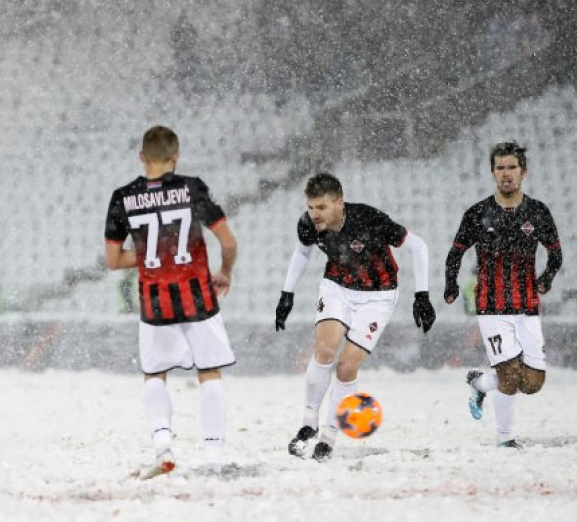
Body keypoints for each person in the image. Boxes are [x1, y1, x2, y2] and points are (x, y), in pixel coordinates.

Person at [104, 126, 238, 479]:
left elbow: (114, 261)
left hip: (154, 299)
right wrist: (224, 272)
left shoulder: (122, 197)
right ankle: (213, 458)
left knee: (154, 374)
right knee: (209, 372)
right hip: (197, 294)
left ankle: (163, 446)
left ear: (141, 157)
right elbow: (228, 242)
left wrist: (154, 254)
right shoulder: (192, 188)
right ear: (175, 157)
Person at [275, 172, 435, 462]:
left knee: (346, 368)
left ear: (339, 203)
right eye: (310, 207)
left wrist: (421, 294)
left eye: (321, 207)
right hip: (337, 286)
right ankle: (308, 425)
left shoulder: (369, 219)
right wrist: (287, 293)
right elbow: (302, 254)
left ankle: (328, 438)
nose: (314, 214)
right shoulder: (308, 224)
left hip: (379, 295)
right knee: (324, 349)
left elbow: (418, 247)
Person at [444, 142, 561, 448]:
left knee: (533, 383)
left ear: (523, 171)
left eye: (512, 167)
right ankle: (506, 439)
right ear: (492, 172)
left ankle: (480, 383)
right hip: (491, 305)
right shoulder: (478, 213)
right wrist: (451, 284)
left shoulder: (537, 212)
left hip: (527, 305)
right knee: (509, 375)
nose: (506, 174)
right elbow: (455, 254)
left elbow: (556, 254)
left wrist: (546, 278)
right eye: (500, 168)